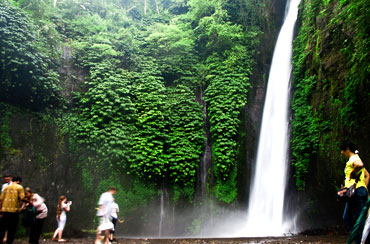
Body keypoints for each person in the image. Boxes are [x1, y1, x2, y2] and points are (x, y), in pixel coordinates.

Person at [340, 140, 370, 244]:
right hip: (356, 192)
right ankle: (359, 239)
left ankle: (361, 241)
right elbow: (367, 175)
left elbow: (360, 165)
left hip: (356, 193)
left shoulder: (354, 158)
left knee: (358, 219)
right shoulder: (355, 158)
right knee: (347, 217)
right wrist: (363, 188)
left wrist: (352, 174)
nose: (341, 152)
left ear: (347, 149)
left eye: (342, 150)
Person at [0, 176, 25, 244]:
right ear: (18, 181)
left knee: (2, 228)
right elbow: (22, 198)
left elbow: (1, 199)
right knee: (12, 228)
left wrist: (1, 210)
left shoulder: (6, 188)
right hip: (14, 211)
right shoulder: (19, 187)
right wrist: (28, 201)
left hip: (4, 211)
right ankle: (9, 241)